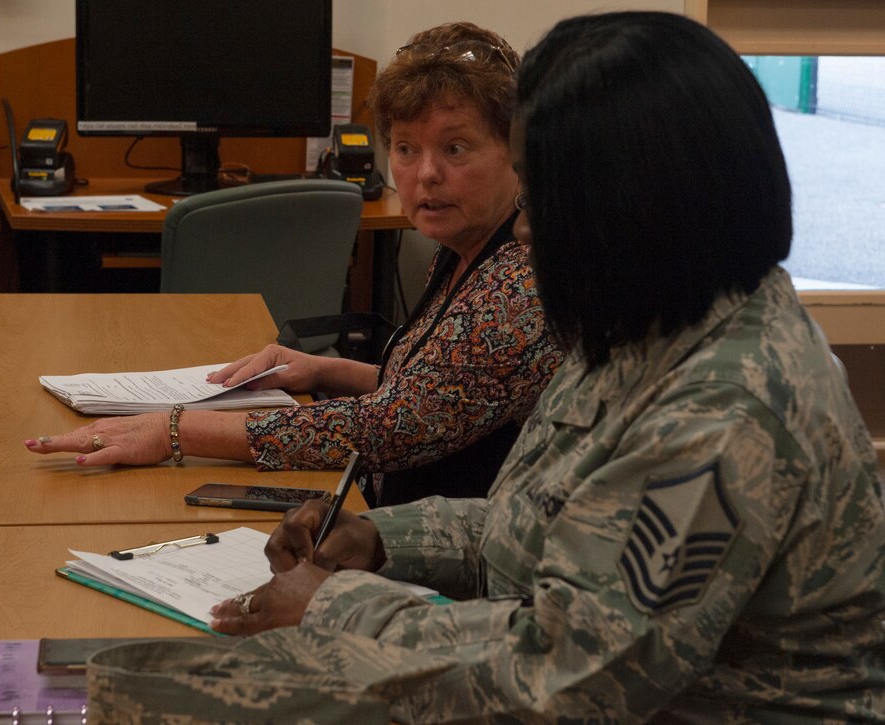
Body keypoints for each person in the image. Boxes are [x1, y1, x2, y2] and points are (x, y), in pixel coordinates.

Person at [87, 12, 885, 723]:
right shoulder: (649, 323)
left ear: (638, 207)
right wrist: (378, 539)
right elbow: (535, 526)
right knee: (132, 681)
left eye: (548, 203)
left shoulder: (725, 409)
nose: (529, 235)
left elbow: (572, 679)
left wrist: (339, 605)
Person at [25, 21, 561, 506]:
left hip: (448, 558)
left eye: (456, 149)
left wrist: (177, 430)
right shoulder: (467, 248)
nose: (425, 175)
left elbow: (395, 426)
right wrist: (325, 368)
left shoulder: (518, 286)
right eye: (404, 148)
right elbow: (441, 393)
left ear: (516, 152)